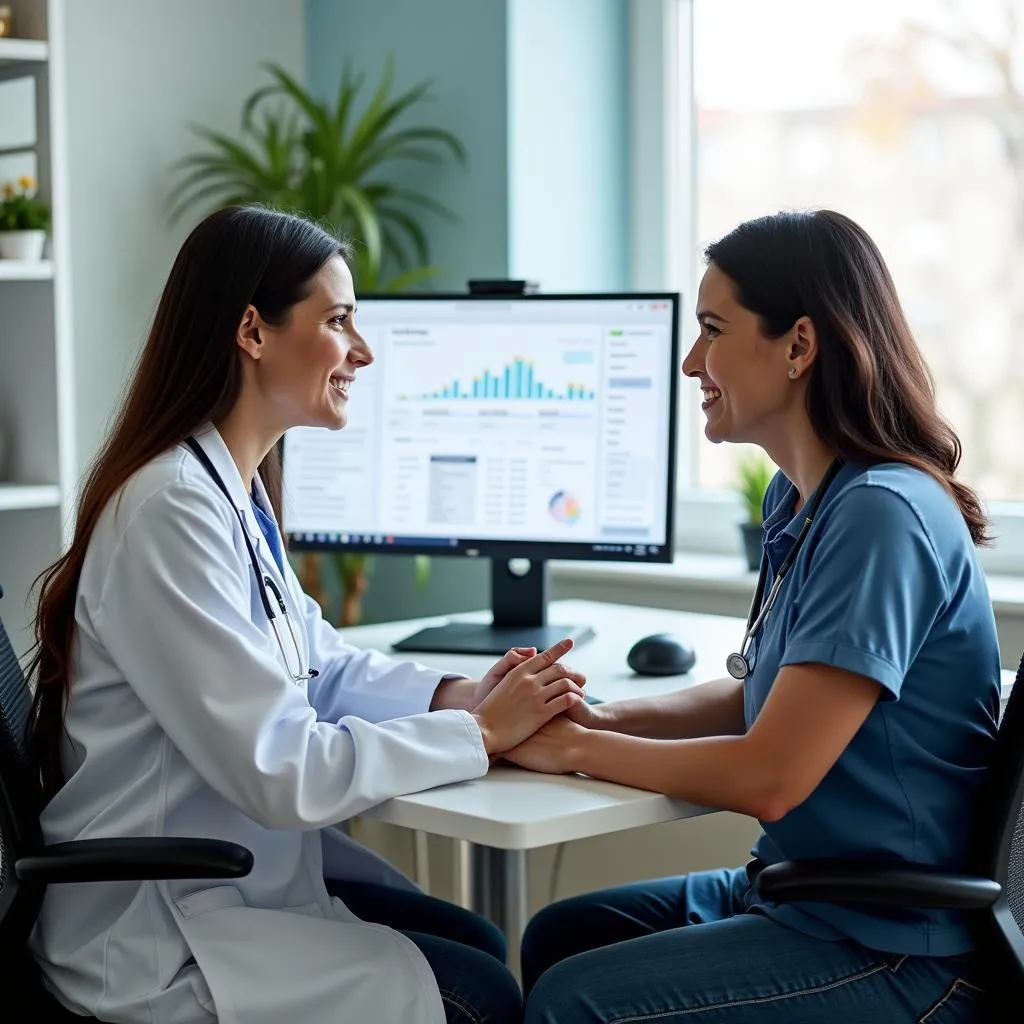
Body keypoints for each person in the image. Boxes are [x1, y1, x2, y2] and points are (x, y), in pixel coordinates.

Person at [26, 205, 587, 1024]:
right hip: (160, 929)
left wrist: (457, 698)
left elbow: (316, 661)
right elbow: (277, 767)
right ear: (253, 331)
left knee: (472, 942)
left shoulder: (230, 487)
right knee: (482, 995)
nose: (362, 351)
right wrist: (481, 736)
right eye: (338, 321)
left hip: (229, 884)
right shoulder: (171, 509)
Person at [510, 210, 1001, 1024]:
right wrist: (601, 716)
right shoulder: (805, 500)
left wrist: (581, 751)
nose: (690, 361)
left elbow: (771, 775)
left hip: (895, 942)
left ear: (800, 346)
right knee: (563, 935)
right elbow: (762, 695)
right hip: (805, 892)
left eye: (711, 330)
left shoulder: (882, 515)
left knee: (573, 1002)